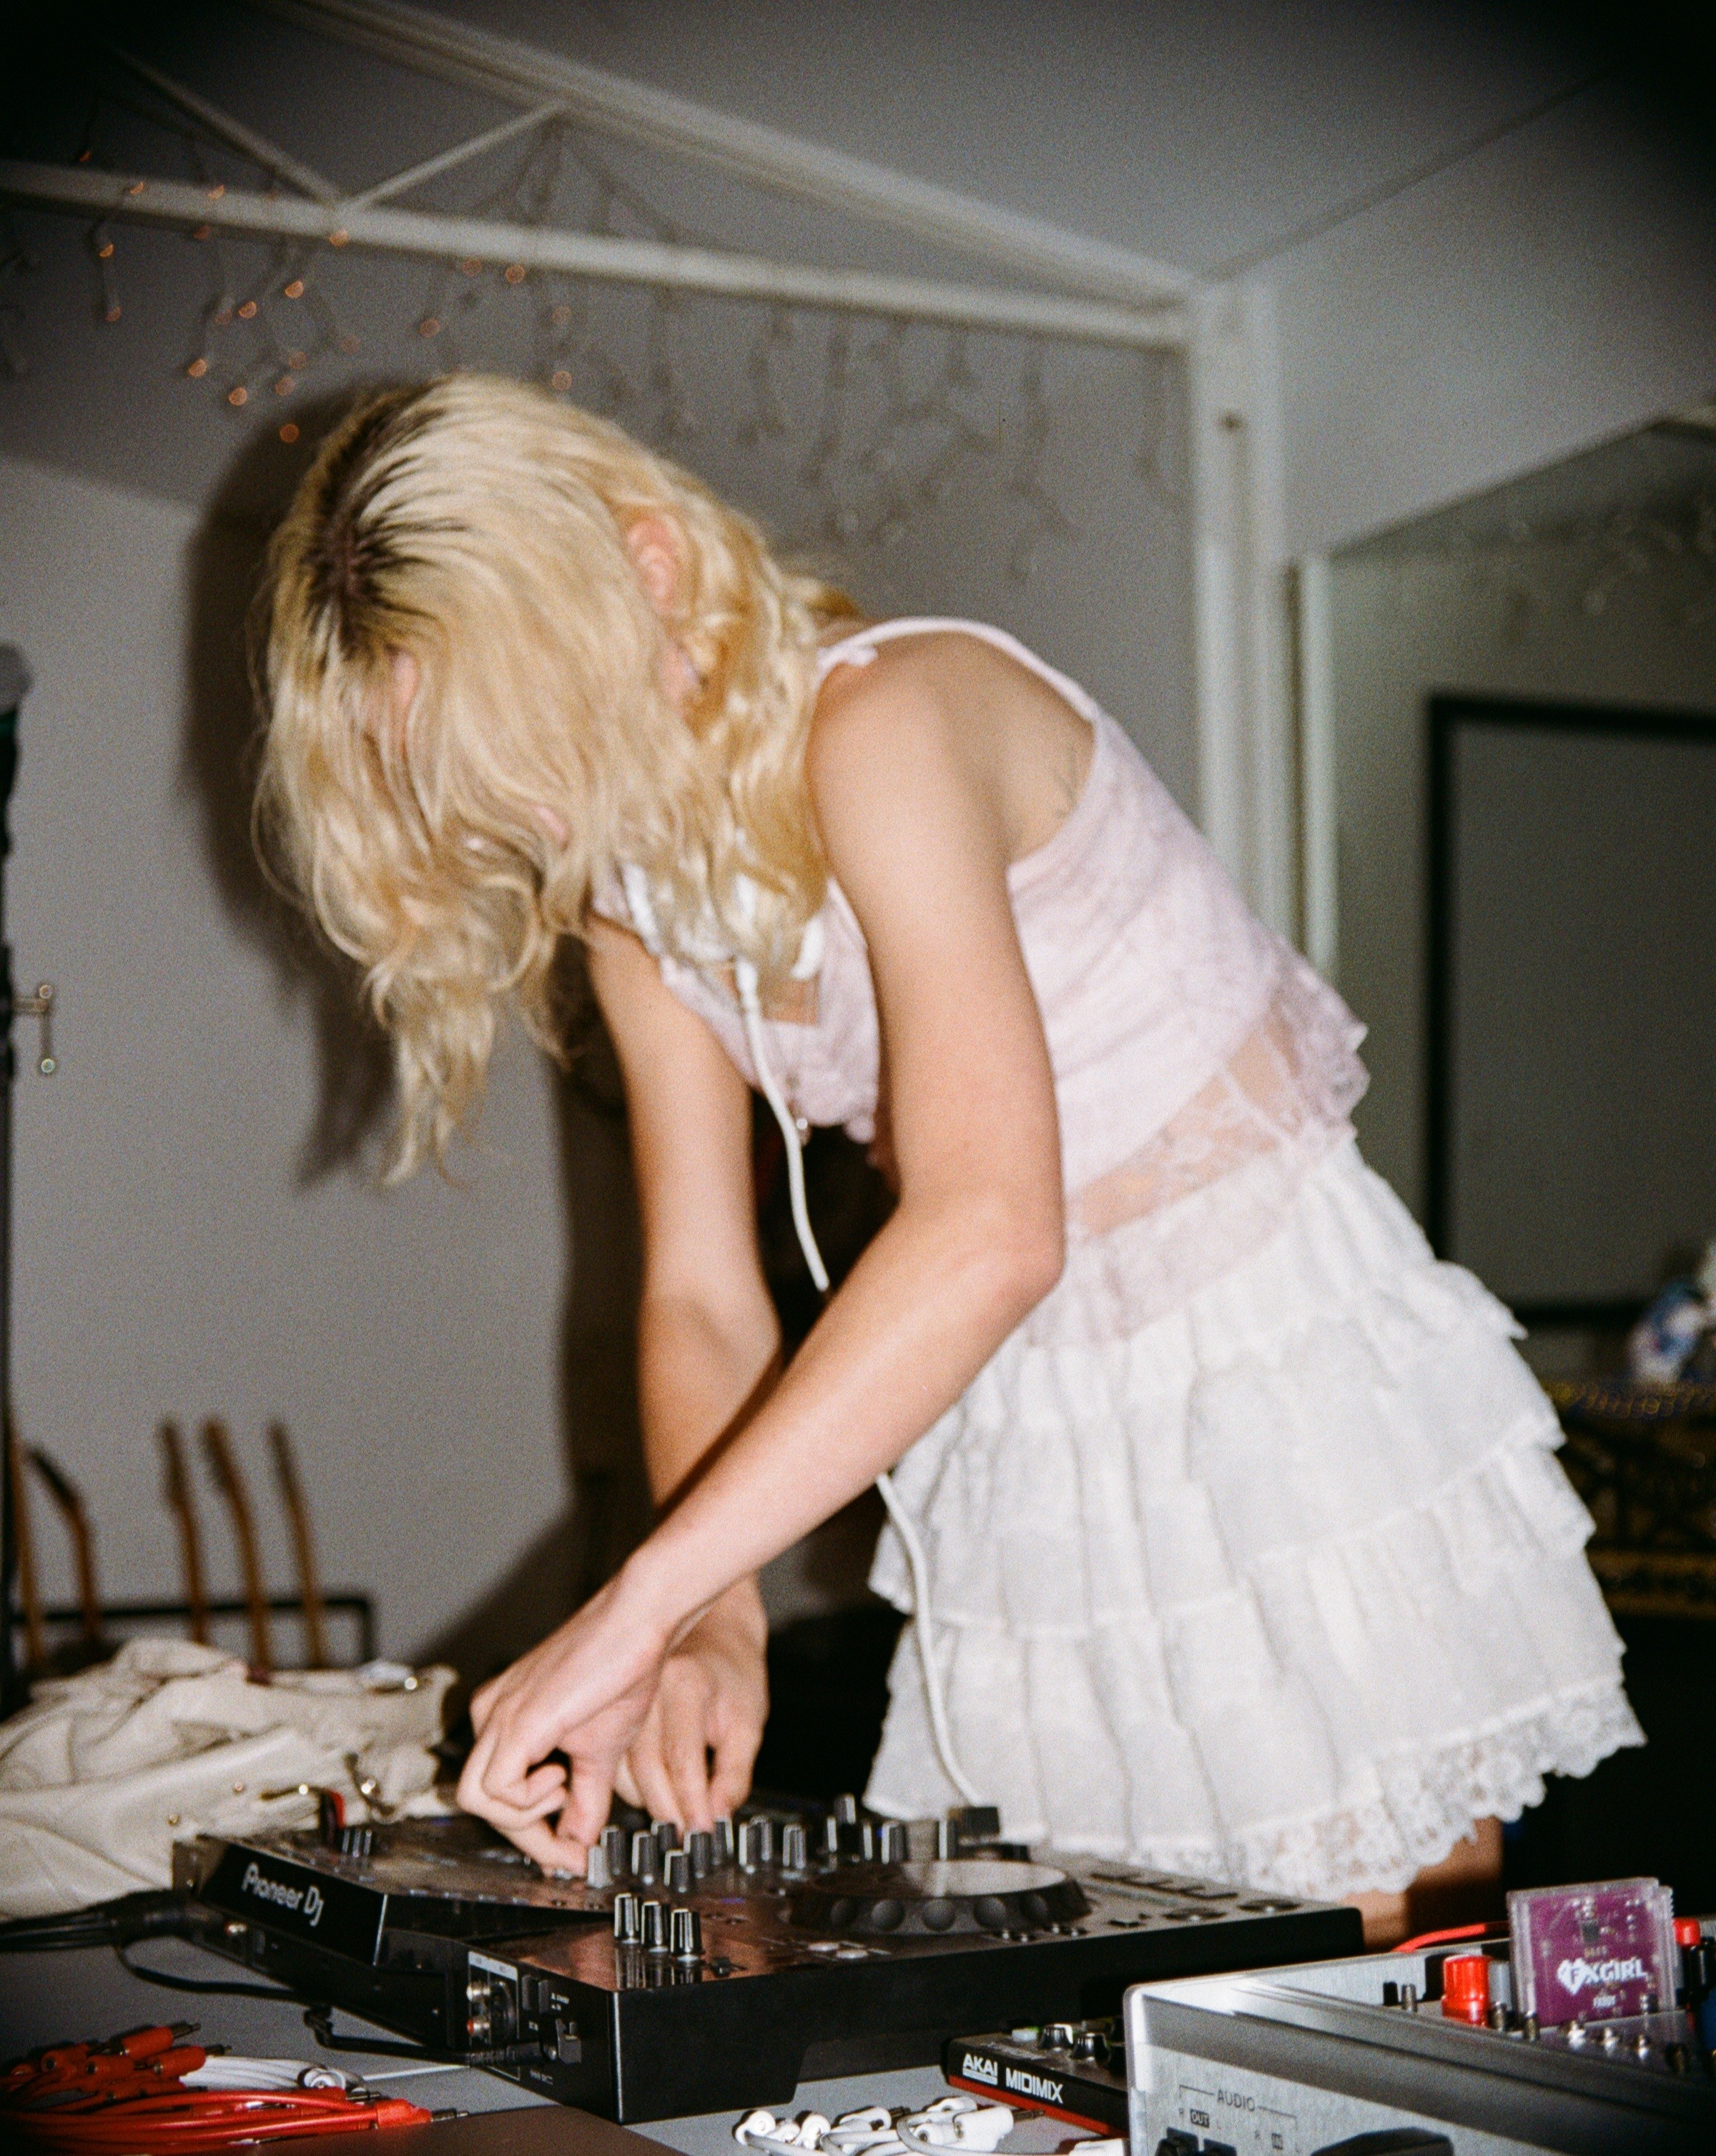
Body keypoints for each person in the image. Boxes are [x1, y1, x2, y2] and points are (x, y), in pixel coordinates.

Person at [255, 373, 1639, 1931]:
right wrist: (713, 1616)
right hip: (1024, 1425)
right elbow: (700, 1297)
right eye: (470, 781)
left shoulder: (893, 717)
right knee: (1081, 1987)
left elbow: (990, 1226)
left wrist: (635, 1603)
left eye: (531, 734)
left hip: (1265, 1374)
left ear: (649, 567)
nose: (535, 816)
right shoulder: (631, 910)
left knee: (1370, 1971)